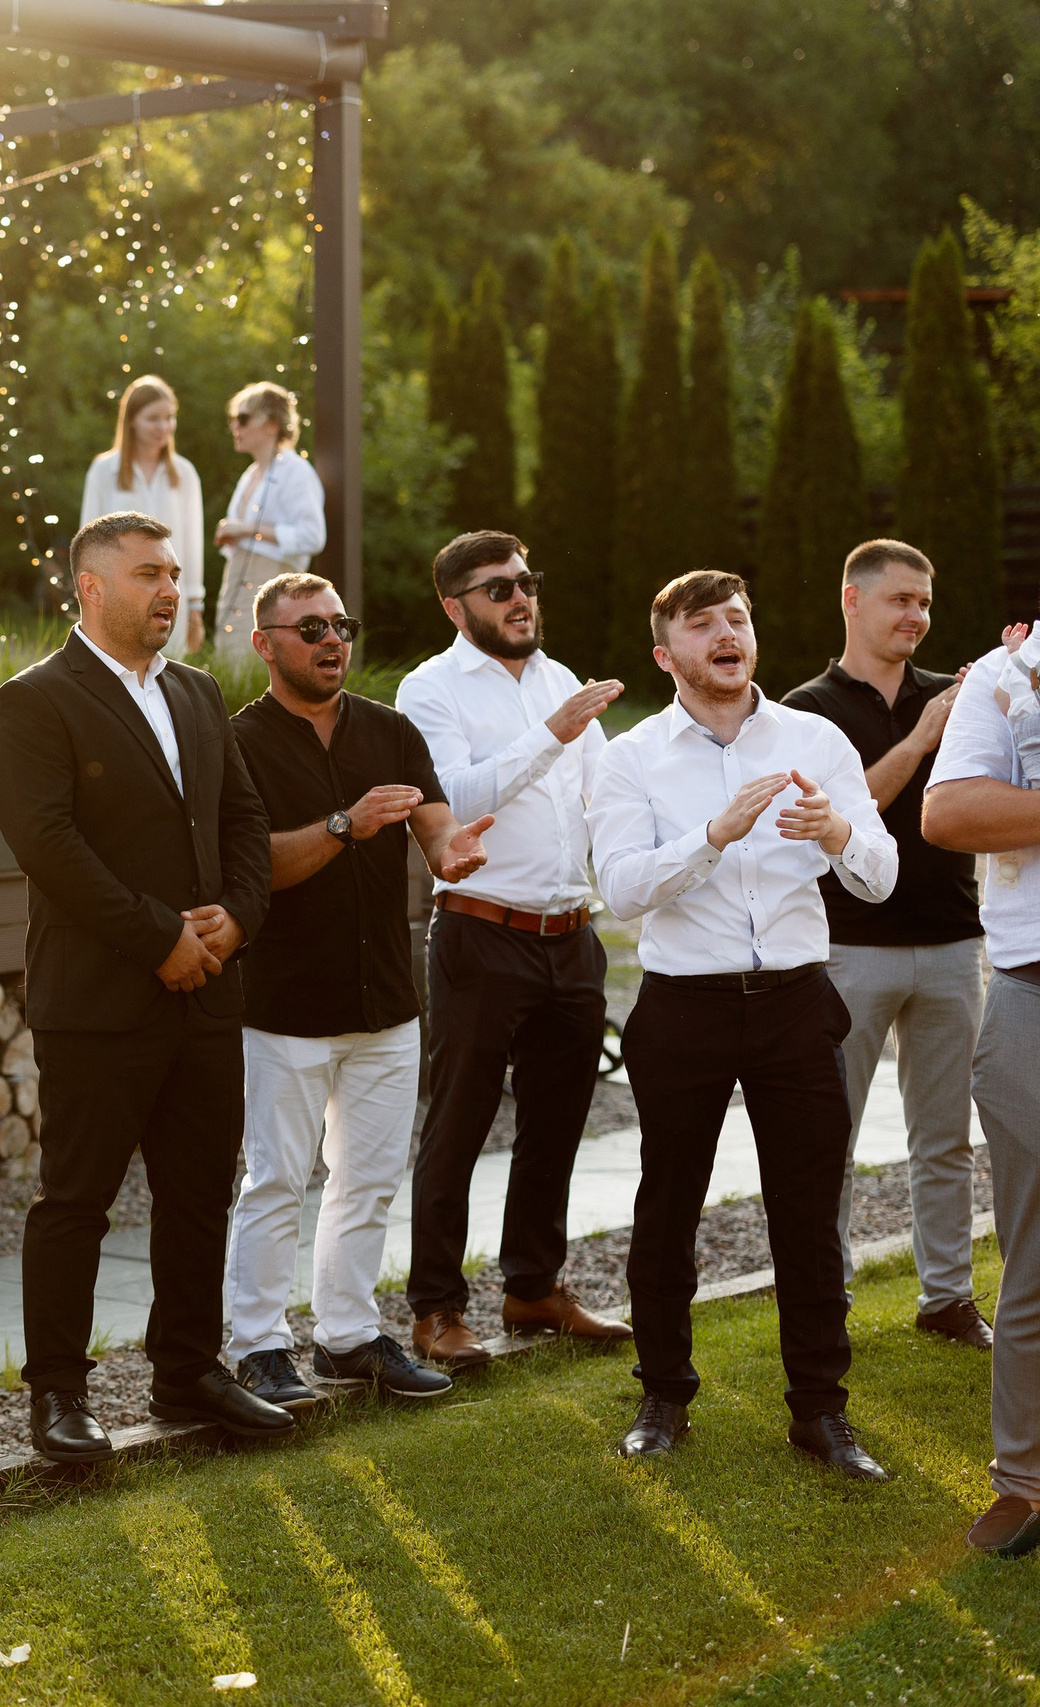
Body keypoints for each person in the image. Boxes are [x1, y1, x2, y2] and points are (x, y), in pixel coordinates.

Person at [0, 511, 290, 1459]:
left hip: (207, 993)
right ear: (91, 586)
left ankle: (188, 1371)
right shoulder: (34, 702)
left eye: (177, 574)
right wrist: (160, 937)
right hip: (101, 998)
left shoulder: (198, 693)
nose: (171, 590)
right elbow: (51, 849)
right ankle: (59, 1395)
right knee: (77, 1199)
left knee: (200, 1193)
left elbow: (244, 820)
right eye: (151, 573)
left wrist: (236, 919)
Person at [588, 570, 900, 1478]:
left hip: (798, 1003)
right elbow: (622, 886)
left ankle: (821, 1412)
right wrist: (713, 835)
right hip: (683, 1007)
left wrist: (838, 834)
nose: (727, 632)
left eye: (738, 618)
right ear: (667, 654)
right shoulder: (632, 756)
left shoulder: (816, 738)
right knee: (667, 1204)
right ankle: (663, 1394)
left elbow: (877, 873)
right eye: (702, 623)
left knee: (808, 1214)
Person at [225, 572, 490, 1410]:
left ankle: (346, 1334)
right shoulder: (237, 743)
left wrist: (453, 852)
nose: (331, 639)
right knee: (275, 1180)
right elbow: (252, 867)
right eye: (309, 628)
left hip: (387, 1003)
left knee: (369, 1178)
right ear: (264, 643)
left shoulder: (392, 731)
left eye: (341, 623)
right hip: (284, 1006)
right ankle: (259, 1345)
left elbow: (435, 827)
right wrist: (346, 826)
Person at [394, 533, 633, 1369]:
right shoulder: (429, 688)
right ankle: (436, 1309)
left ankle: (533, 1286)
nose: (520, 596)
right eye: (498, 588)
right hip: (481, 932)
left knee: (557, 1125)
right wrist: (552, 733)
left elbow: (606, 798)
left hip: (571, 937)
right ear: (456, 607)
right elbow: (450, 796)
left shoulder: (560, 678)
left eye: (527, 580)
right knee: (458, 1125)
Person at [781, 539, 990, 1348]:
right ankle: (824, 1297)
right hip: (848, 949)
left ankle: (946, 1297)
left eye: (926, 602)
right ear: (852, 600)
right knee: (829, 1135)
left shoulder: (959, 695)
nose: (917, 616)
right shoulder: (807, 707)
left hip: (950, 944)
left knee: (943, 1137)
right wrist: (920, 739)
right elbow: (846, 811)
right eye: (901, 599)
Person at [921, 624, 1040, 1558]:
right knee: (1035, 1254)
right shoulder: (1007, 672)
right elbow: (952, 814)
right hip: (1034, 992)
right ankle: (1025, 1479)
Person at [80, 376, 204, 655]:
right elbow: (88, 539)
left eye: (169, 417)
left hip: (168, 596)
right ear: (132, 420)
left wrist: (195, 604)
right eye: (153, 418)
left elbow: (193, 543)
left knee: (167, 671)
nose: (164, 427)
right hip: (118, 594)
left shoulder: (184, 473)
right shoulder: (104, 470)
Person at [208, 382, 328, 651]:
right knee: (228, 672)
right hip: (235, 586)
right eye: (233, 420)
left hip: (275, 592)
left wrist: (247, 529)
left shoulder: (296, 471)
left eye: (243, 419)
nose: (235, 427)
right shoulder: (250, 473)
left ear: (272, 424)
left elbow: (313, 537)